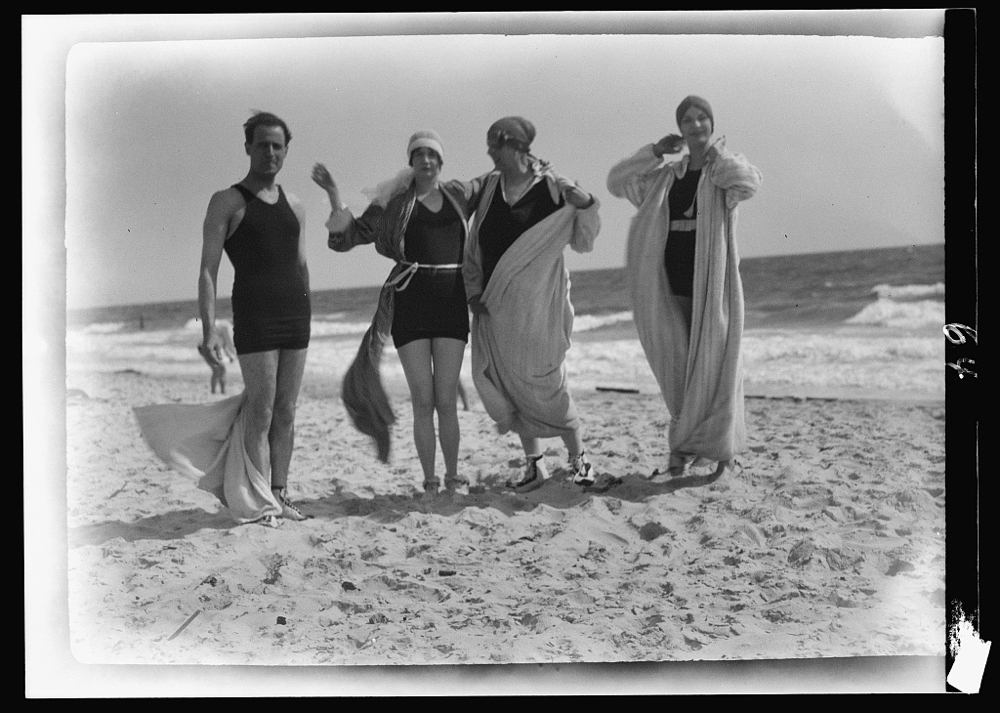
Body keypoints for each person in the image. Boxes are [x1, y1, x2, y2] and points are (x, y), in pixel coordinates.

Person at [135, 111, 312, 525]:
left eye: (277, 145)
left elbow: (301, 267)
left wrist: (309, 312)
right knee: (261, 412)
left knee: (286, 411)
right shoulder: (227, 201)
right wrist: (209, 328)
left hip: (295, 316)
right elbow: (208, 271)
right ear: (248, 147)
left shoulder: (297, 205)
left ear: (286, 151)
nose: (270, 152)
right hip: (255, 315)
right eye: (262, 144)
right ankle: (257, 500)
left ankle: (281, 494)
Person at [312, 131, 483, 495]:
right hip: (411, 301)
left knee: (445, 399)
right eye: (419, 155)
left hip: (452, 301)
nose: (426, 161)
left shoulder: (458, 195)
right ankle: (431, 481)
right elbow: (352, 235)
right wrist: (333, 194)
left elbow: (496, 186)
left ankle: (453, 476)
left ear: (441, 161)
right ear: (411, 162)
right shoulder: (395, 204)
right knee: (423, 401)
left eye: (432, 155)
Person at [607, 95, 762, 483]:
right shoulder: (667, 174)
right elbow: (617, 181)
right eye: (687, 120)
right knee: (679, 363)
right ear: (679, 127)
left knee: (715, 359)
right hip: (671, 273)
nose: (695, 126)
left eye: (702, 118)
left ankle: (717, 447)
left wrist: (718, 155)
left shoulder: (721, 170)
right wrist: (655, 152)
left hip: (710, 273)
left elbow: (748, 182)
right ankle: (684, 444)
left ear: (712, 122)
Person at [464, 116, 601, 493]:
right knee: (509, 385)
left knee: (548, 381)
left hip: (541, 305)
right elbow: (474, 249)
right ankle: (534, 465)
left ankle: (580, 460)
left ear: (516, 147)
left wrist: (585, 202)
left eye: (495, 144)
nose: (489, 151)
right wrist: (473, 292)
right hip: (496, 306)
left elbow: (584, 238)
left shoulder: (552, 189)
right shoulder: (490, 189)